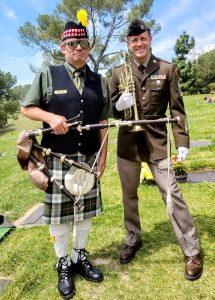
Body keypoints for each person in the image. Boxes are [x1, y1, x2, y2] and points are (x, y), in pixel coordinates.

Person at [21, 10, 112, 299]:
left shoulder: (99, 80)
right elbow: (26, 108)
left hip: (88, 159)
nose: (80, 50)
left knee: (85, 213)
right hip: (57, 159)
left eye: (85, 44)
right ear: (63, 47)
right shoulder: (48, 74)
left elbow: (104, 124)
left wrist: (104, 158)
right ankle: (63, 264)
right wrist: (49, 118)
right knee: (60, 218)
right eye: (74, 45)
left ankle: (79, 257)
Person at [110, 19, 203, 281]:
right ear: (128, 45)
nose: (138, 44)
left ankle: (192, 250)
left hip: (157, 142)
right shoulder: (118, 73)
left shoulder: (167, 68)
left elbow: (177, 109)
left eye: (143, 39)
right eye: (133, 40)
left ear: (150, 39)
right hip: (128, 144)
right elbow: (107, 107)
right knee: (129, 196)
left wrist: (182, 142)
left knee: (172, 193)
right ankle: (133, 238)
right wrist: (117, 106)